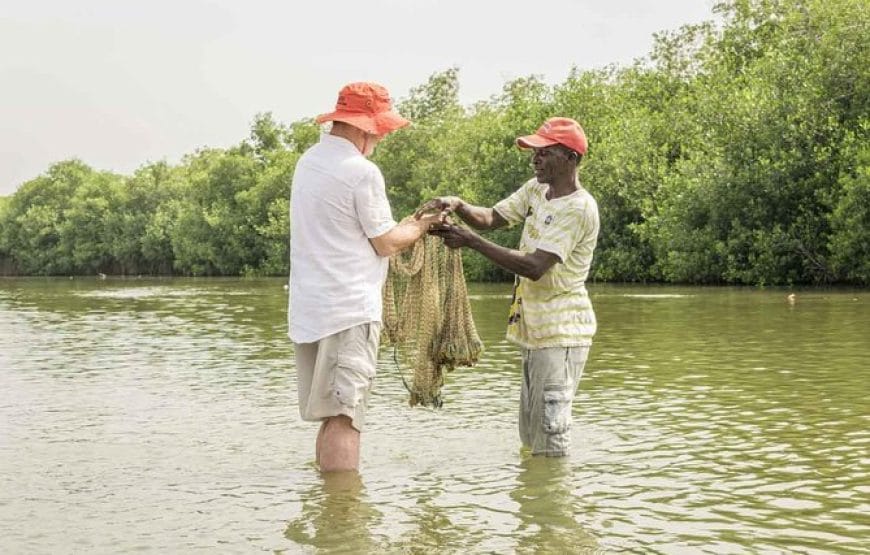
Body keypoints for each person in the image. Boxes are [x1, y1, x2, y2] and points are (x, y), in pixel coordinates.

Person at [419, 117, 599, 457]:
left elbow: (534, 267)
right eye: (535, 152)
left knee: (550, 439)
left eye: (544, 153)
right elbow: (490, 218)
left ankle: (552, 505)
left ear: (571, 158)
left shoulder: (578, 208)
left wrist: (470, 242)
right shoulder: (536, 190)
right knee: (530, 437)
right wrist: (457, 204)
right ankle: (535, 502)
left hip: (561, 334)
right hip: (534, 331)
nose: (535, 159)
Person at [289, 82, 442, 473]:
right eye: (380, 130)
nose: (381, 138)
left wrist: (406, 225)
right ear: (365, 128)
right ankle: (344, 520)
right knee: (346, 418)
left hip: (310, 313)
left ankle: (330, 511)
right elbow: (387, 242)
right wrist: (423, 225)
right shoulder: (362, 172)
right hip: (348, 311)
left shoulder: (308, 161)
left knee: (330, 415)